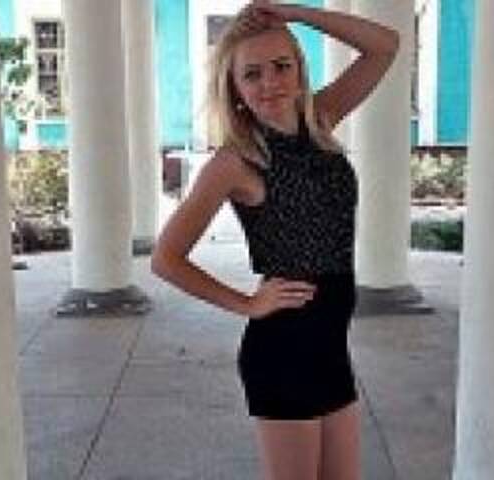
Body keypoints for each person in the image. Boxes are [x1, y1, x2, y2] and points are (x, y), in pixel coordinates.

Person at [151, 1, 399, 479]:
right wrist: (246, 303)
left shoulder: (320, 120)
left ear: (299, 70)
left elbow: (385, 47)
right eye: (252, 73)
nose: (270, 83)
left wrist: (297, 14)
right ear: (235, 88)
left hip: (331, 346)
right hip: (284, 349)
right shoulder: (235, 162)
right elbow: (166, 258)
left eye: (282, 66)